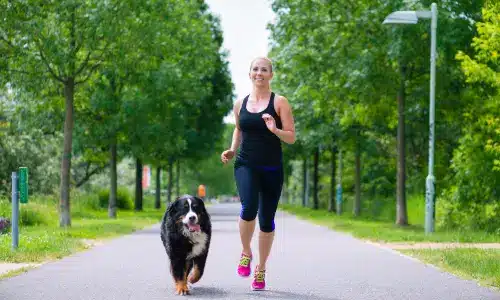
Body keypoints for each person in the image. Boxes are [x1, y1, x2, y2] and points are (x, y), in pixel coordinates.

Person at [220, 57, 295, 290]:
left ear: (271, 75)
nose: (259, 73)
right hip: (246, 164)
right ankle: (245, 252)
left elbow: (291, 136)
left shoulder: (280, 102)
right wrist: (232, 149)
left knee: (266, 221)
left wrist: (275, 129)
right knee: (248, 207)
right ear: (250, 73)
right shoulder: (240, 103)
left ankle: (261, 269)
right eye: (255, 69)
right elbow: (239, 129)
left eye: (264, 70)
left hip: (272, 168)